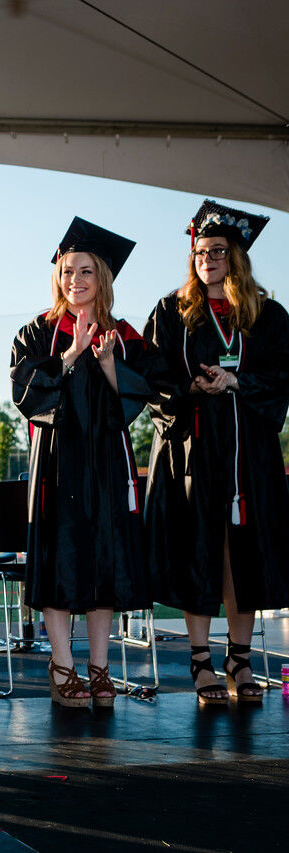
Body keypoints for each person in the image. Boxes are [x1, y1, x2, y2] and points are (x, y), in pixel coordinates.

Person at [10, 217, 158, 709]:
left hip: (107, 466)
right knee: (59, 562)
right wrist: (72, 354)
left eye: (86, 271)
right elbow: (26, 397)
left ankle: (100, 668)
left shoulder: (126, 335)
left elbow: (138, 403)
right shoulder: (38, 333)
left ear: (103, 279)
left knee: (102, 564)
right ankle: (62, 666)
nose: (75, 280)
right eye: (67, 270)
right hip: (57, 464)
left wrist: (112, 364)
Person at [145, 199, 289, 706]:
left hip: (248, 456)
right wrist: (192, 387)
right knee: (198, 552)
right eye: (202, 251)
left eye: (219, 251)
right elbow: (153, 376)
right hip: (194, 452)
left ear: (237, 258)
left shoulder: (268, 316)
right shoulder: (171, 311)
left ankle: (241, 659)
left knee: (242, 555)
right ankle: (201, 661)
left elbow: (281, 378)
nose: (208, 258)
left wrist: (237, 380)